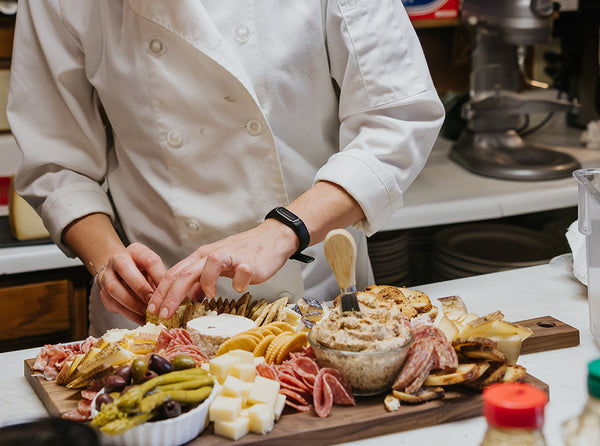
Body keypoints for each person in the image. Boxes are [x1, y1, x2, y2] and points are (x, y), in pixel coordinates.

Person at [7, 1, 445, 336]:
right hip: (156, 312)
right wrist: (108, 262)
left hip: (316, 300)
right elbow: (56, 161)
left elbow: (397, 116)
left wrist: (283, 229)